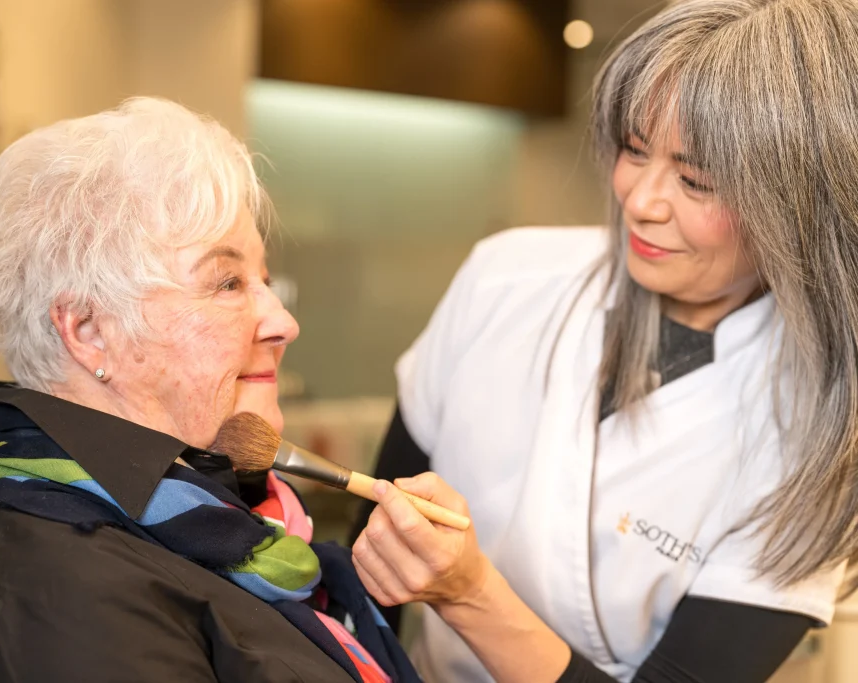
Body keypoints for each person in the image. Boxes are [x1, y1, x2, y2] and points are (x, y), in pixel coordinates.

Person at [350, 1, 858, 681]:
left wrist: (471, 593)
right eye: (634, 149)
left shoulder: (815, 435)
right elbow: (370, 538)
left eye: (696, 179)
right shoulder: (506, 278)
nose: (639, 199)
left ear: (800, 204)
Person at [0, 98, 420, 683]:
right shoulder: (62, 596)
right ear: (90, 331)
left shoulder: (208, 520)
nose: (283, 322)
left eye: (263, 280)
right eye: (228, 283)